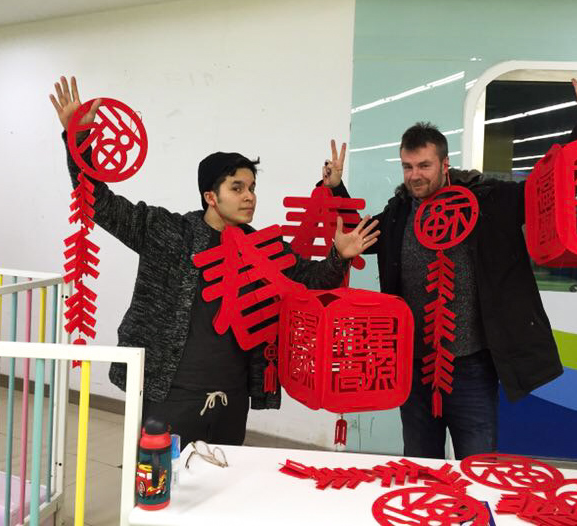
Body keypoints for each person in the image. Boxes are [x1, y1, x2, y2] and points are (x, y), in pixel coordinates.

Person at [50, 76, 380, 447]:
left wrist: (339, 255)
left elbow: (310, 280)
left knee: (223, 478)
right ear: (210, 195)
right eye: (237, 188)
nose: (249, 197)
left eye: (251, 188)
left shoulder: (264, 248)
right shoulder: (166, 231)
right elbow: (99, 203)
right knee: (162, 476)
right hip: (170, 392)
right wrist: (79, 139)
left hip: (232, 396)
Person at [321, 72, 577, 459]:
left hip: (472, 366)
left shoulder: (488, 201)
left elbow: (548, 183)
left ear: (445, 163)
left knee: (477, 465)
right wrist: (335, 189)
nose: (414, 175)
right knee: (421, 465)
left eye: (424, 165)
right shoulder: (399, 212)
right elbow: (358, 235)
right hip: (415, 365)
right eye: (407, 166)